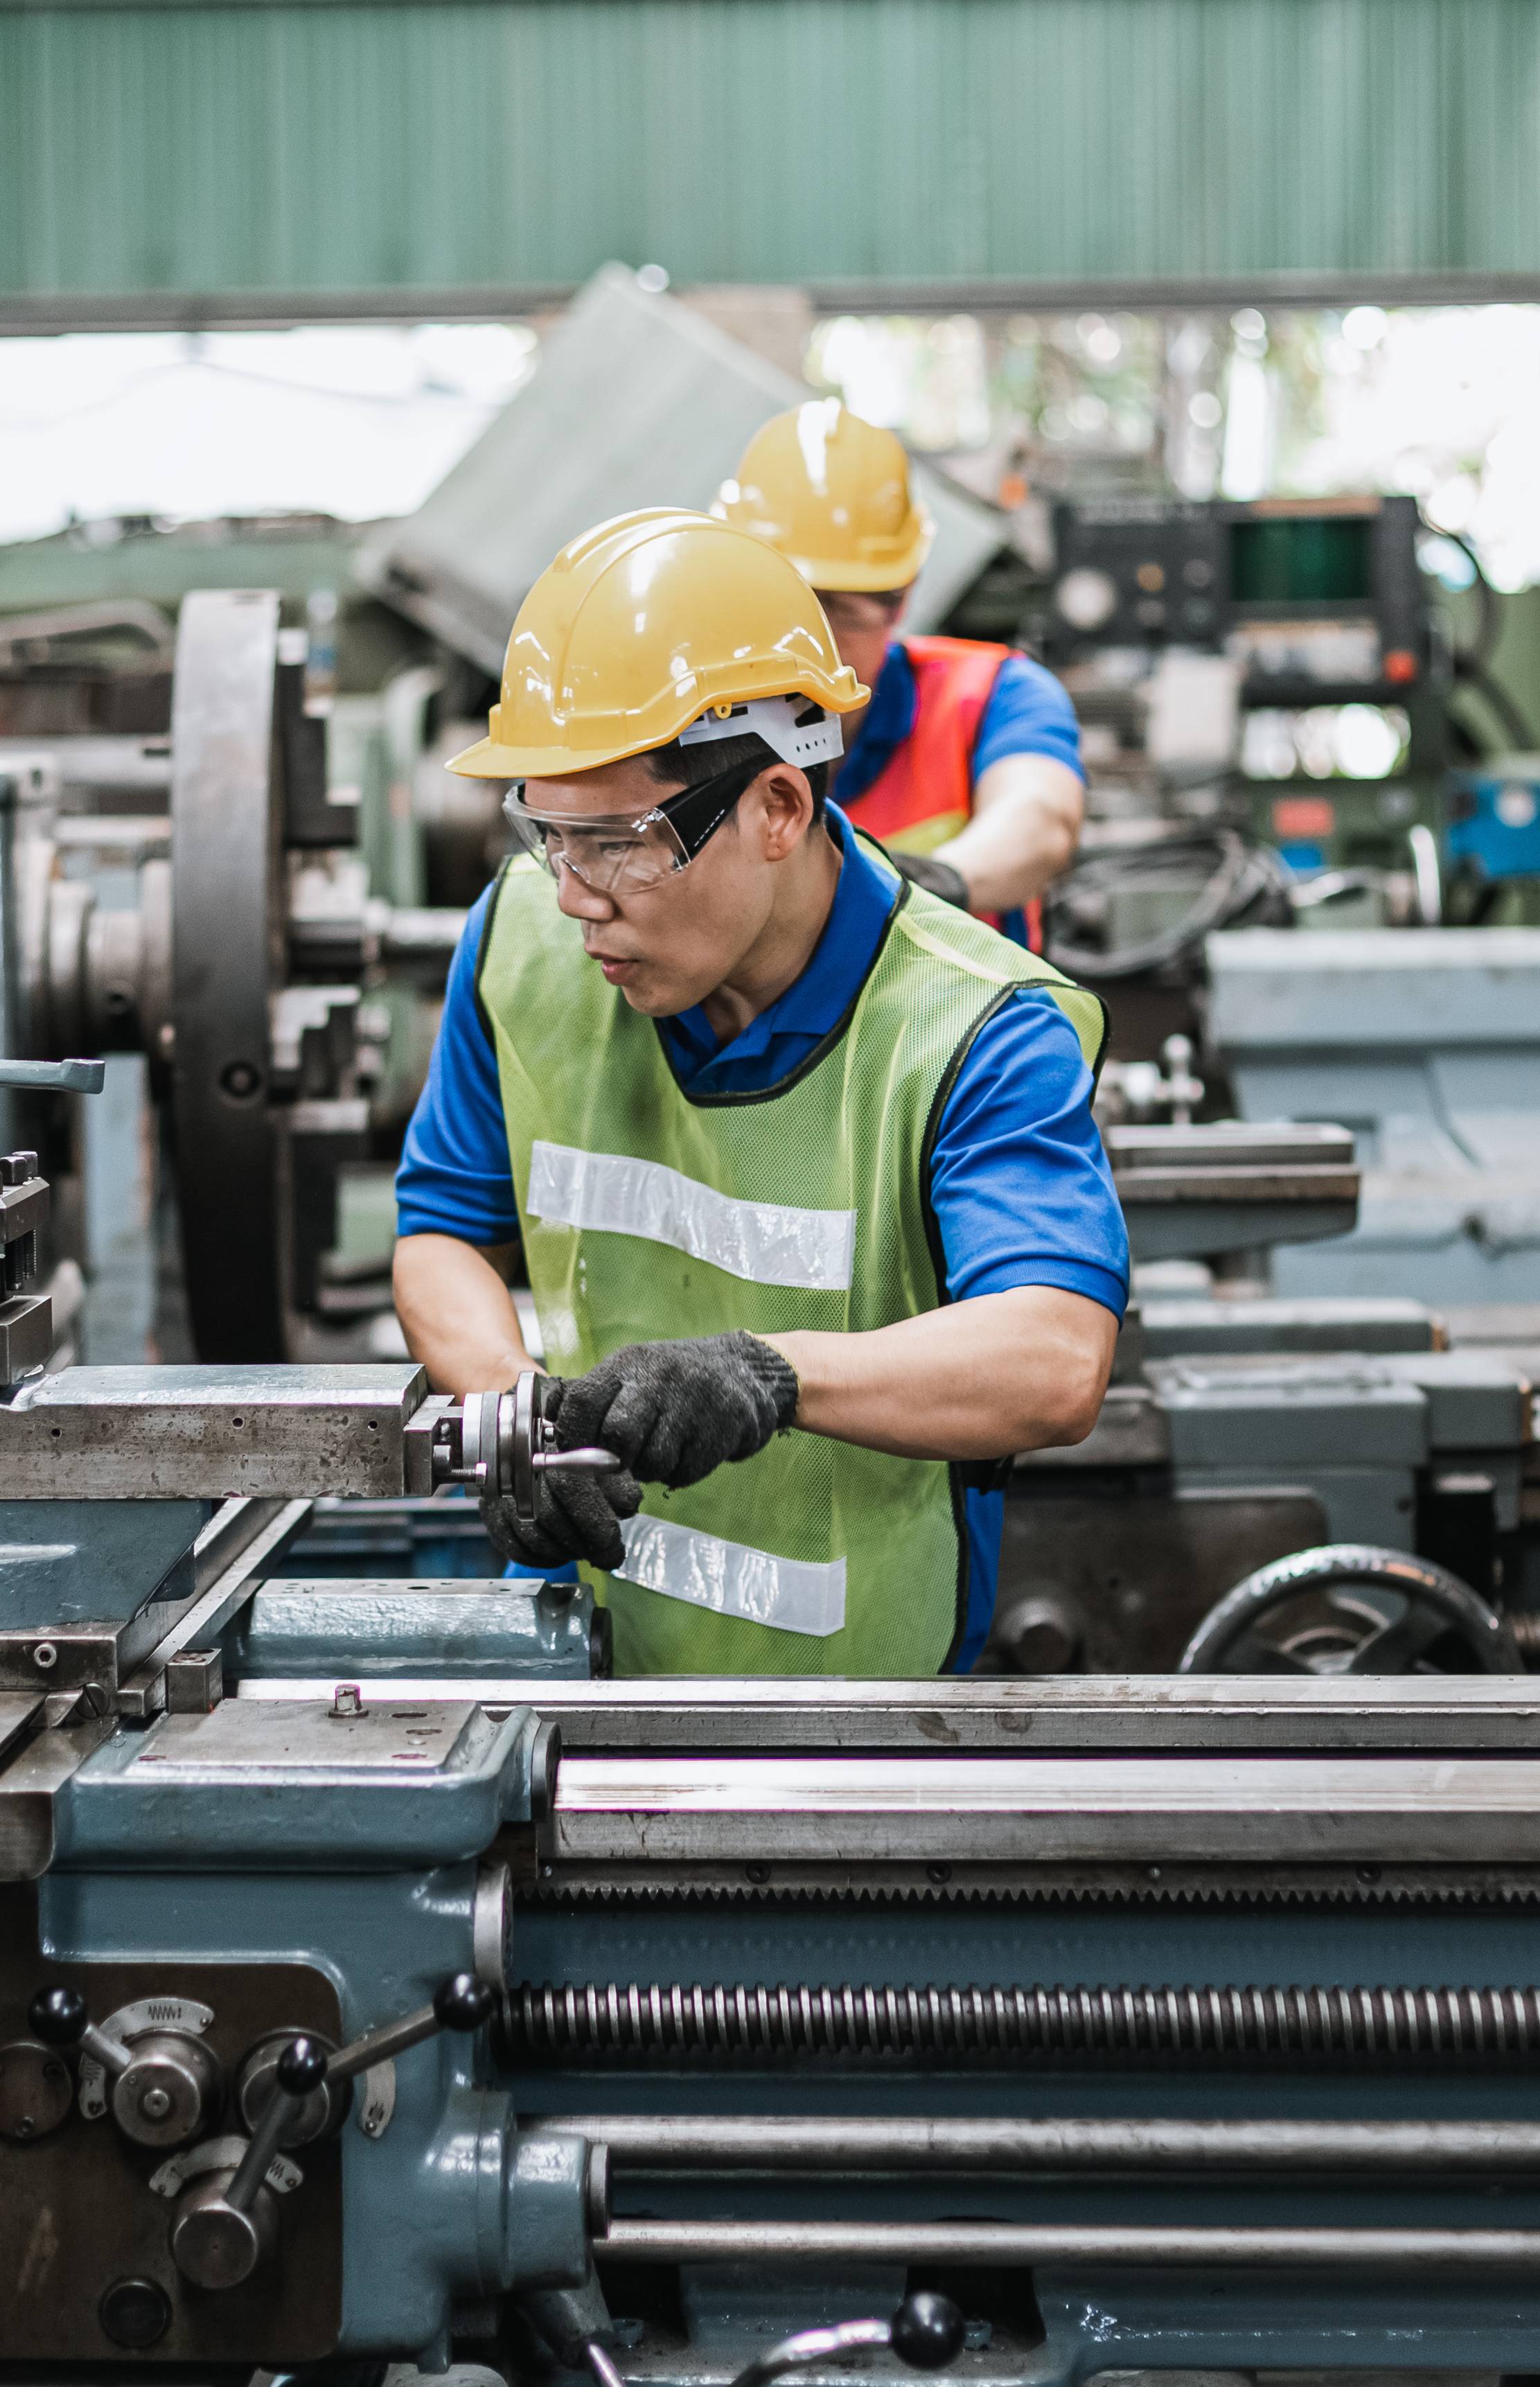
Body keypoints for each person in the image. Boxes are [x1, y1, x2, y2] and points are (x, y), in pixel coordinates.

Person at [390, 507, 1129, 1676]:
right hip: (577, 1668)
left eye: (619, 842)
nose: (573, 894)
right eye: (549, 834)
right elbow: (439, 1231)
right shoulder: (519, 945)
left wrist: (767, 1377)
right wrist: (510, 1411)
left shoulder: (973, 1027)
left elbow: (1053, 1358)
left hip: (861, 1717)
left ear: (778, 808)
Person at [711, 402, 1085, 946]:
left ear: (901, 598)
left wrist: (919, 886)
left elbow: (1041, 820)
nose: (808, 640)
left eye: (840, 609)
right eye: (780, 603)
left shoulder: (995, 695)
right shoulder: (688, 719)